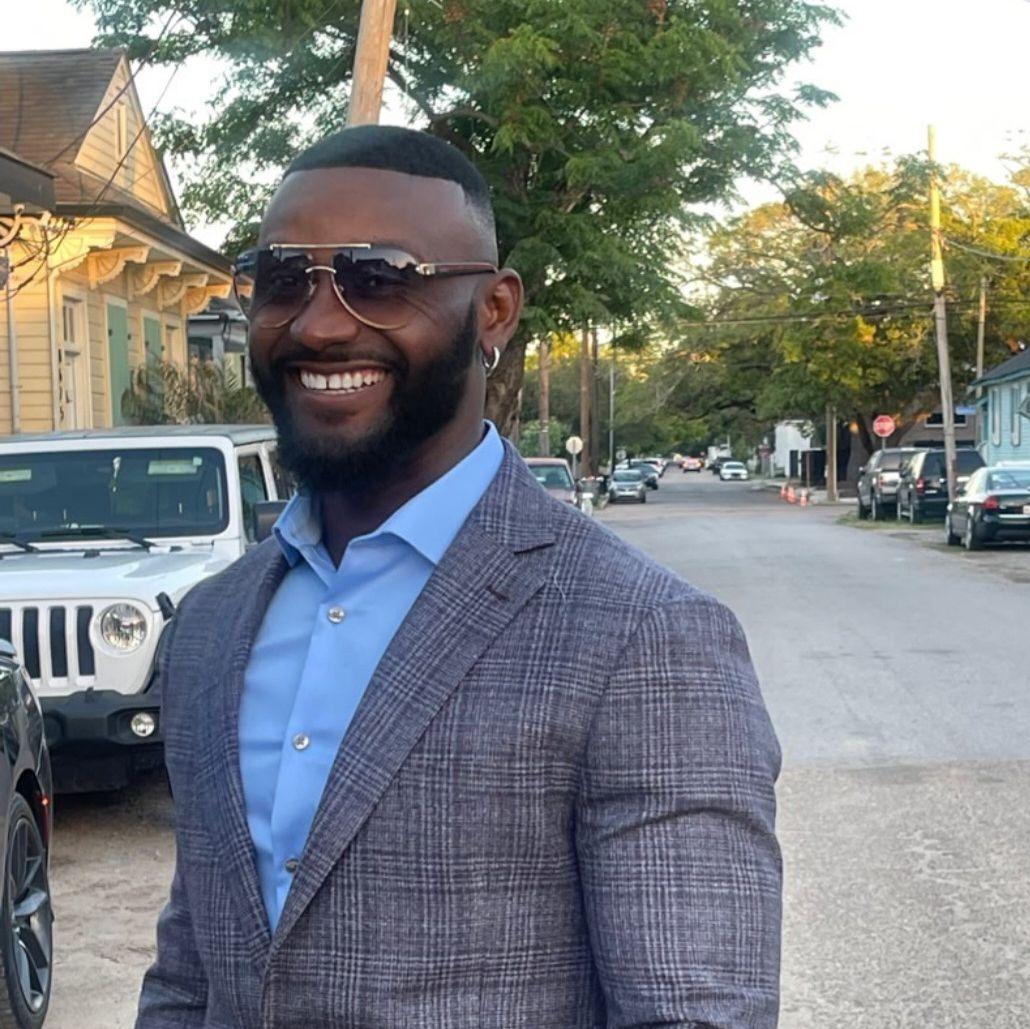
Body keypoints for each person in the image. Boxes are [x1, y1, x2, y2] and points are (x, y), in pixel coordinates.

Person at [137, 125, 782, 1028]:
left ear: (495, 310)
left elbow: (693, 1012)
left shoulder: (642, 638)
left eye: (378, 277)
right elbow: (190, 979)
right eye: (283, 280)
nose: (320, 324)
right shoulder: (211, 627)